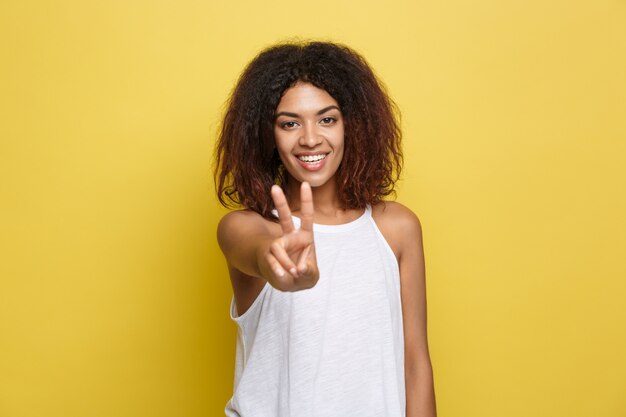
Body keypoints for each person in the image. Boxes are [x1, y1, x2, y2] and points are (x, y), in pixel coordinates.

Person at [214, 41, 436, 417]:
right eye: (289, 123)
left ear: (354, 124)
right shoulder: (245, 226)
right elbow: (260, 251)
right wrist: (278, 265)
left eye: (327, 119)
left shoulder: (396, 228)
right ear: (266, 134)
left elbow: (416, 365)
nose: (311, 138)